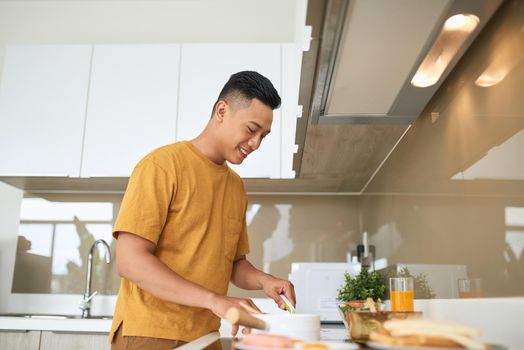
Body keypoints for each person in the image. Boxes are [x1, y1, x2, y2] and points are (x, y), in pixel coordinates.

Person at [109, 71, 296, 349]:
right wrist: (215, 300)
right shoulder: (162, 165)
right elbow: (129, 260)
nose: (256, 143)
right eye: (251, 129)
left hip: (206, 334)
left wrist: (265, 281)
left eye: (263, 136)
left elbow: (233, 263)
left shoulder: (235, 186)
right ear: (222, 110)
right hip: (150, 332)